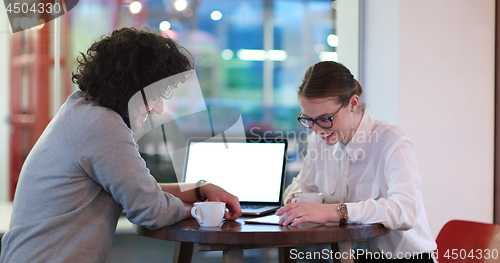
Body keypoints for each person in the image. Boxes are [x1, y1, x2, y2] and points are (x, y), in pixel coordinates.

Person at [0, 27, 241, 263]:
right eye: (155, 95)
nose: (158, 108)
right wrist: (202, 210)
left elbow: (138, 190)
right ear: (130, 89)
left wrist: (199, 189)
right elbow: (150, 209)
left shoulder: (81, 110)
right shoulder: (101, 125)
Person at [275, 61, 436, 262]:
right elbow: (300, 186)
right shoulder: (319, 140)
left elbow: (406, 210)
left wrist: (333, 211)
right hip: (347, 257)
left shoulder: (391, 140)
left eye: (325, 118)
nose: (317, 130)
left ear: (352, 103)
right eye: (309, 119)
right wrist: (299, 202)